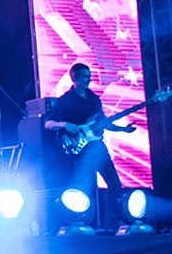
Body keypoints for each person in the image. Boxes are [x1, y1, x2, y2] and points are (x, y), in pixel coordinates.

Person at [43, 62, 134, 227]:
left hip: (98, 147)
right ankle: (86, 225)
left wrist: (123, 129)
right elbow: (48, 124)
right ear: (75, 78)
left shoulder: (93, 99)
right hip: (81, 149)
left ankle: (111, 225)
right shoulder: (65, 100)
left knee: (115, 184)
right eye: (85, 77)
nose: (89, 79)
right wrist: (65, 125)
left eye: (89, 76)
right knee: (88, 188)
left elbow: (103, 122)